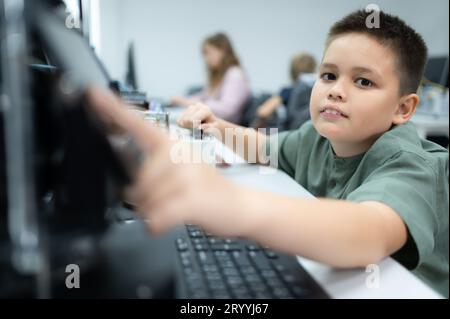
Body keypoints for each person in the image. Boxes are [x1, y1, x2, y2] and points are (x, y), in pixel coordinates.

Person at [88, 10, 449, 297]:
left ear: (403, 109)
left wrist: (233, 204)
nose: (336, 91)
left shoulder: (411, 164)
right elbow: (264, 147)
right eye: (328, 75)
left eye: (363, 81)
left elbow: (368, 233)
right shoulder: (316, 137)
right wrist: (217, 125)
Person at [170, 33, 250, 124]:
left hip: (225, 129)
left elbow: (227, 110)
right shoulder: (220, 75)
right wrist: (184, 100)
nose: (206, 58)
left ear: (222, 51)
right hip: (214, 124)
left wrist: (190, 103)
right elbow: (204, 96)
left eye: (209, 53)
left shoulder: (235, 74)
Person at [251, 53, 316, 129]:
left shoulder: (288, 91)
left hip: (289, 134)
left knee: (257, 133)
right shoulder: (317, 91)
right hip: (311, 133)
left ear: (292, 71)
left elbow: (263, 112)